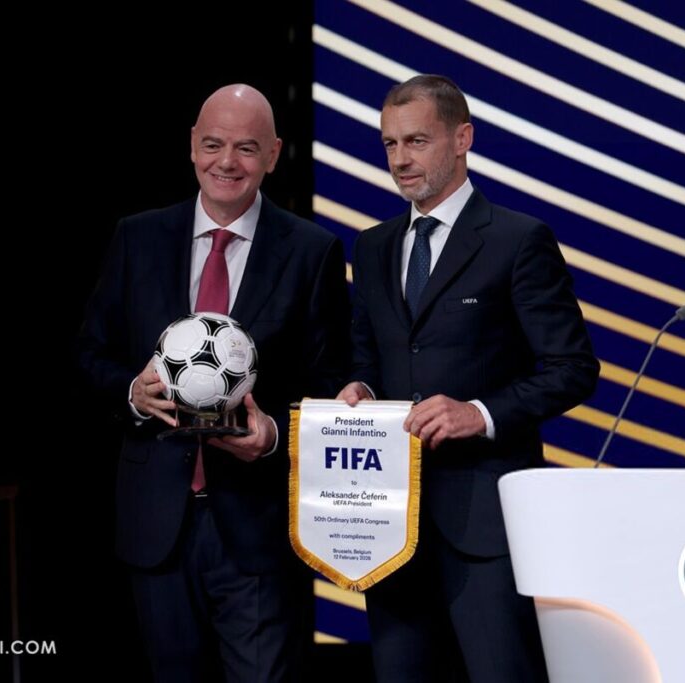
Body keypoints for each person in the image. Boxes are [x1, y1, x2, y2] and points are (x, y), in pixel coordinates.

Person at [78, 84, 350, 682]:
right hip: (156, 524)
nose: (227, 162)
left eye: (247, 148)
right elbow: (91, 355)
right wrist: (132, 393)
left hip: (257, 530)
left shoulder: (313, 251)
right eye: (213, 144)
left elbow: (333, 382)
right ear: (191, 147)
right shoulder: (137, 237)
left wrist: (275, 434)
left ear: (273, 155)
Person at [337, 75, 599, 682]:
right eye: (390, 144)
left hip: (486, 527)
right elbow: (368, 357)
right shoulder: (373, 247)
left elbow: (573, 369)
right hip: (389, 523)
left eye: (417, 141)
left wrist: (477, 413)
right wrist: (362, 391)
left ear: (463, 139)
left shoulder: (518, 240)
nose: (400, 159)